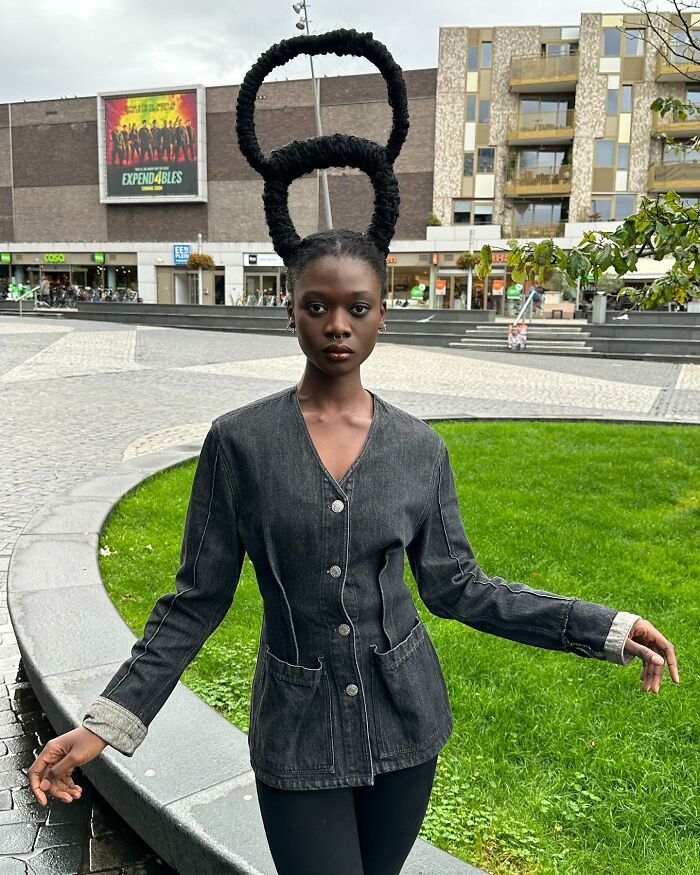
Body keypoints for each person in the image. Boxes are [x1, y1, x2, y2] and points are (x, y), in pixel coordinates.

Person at [27, 29, 679, 875]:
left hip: (408, 722)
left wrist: (607, 628)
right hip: (295, 734)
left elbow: (459, 587)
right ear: (289, 309)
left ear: (384, 312)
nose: (338, 324)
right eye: (318, 305)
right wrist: (106, 721)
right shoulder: (241, 443)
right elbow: (196, 599)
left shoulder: (419, 448)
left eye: (358, 307)